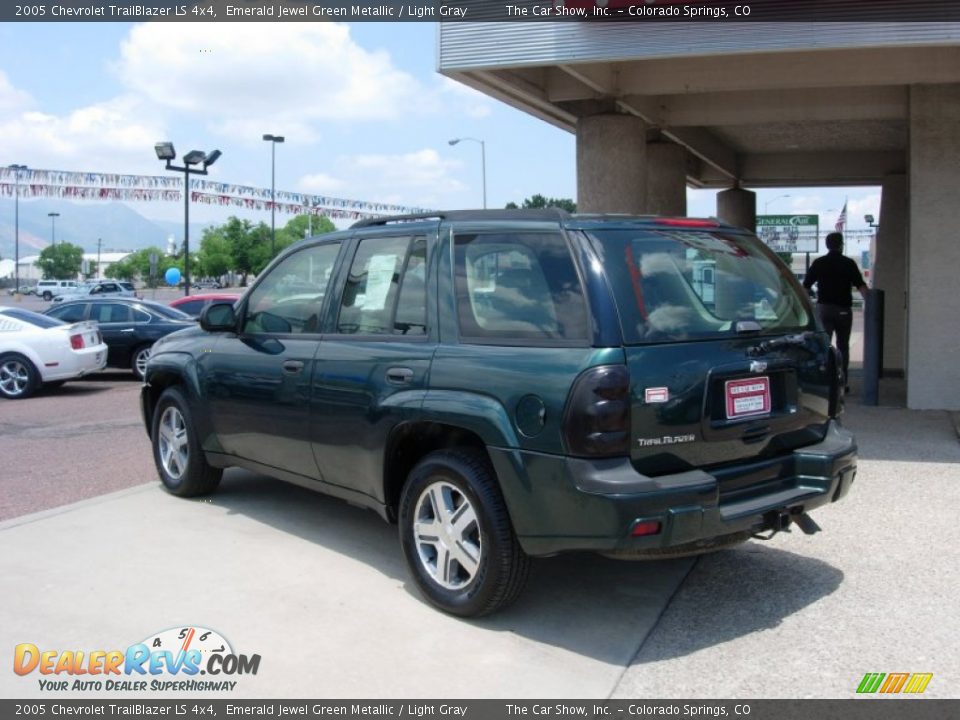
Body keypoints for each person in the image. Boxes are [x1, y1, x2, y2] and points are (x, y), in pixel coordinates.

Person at [803, 231, 868, 393]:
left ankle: (825, 382)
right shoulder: (848, 263)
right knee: (843, 346)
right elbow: (861, 286)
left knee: (824, 346)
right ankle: (842, 382)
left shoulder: (819, 262)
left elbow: (805, 286)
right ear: (841, 245)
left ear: (827, 245)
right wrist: (872, 303)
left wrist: (807, 306)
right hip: (843, 310)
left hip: (824, 309)